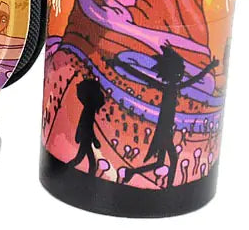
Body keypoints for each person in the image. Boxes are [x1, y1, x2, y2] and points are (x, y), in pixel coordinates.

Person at [111, 44, 218, 188]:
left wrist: (210, 66)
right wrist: (121, 64)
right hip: (164, 130)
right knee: (173, 159)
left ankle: (132, 172)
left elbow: (142, 76)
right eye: (179, 73)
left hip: (166, 129)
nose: (181, 75)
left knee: (159, 163)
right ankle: (168, 189)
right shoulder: (170, 88)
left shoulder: (170, 87)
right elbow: (141, 76)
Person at [68, 77, 104, 174]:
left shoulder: (88, 109)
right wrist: (94, 139)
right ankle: (63, 169)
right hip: (86, 137)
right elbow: (87, 125)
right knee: (80, 159)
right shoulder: (89, 110)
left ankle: (90, 174)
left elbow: (85, 124)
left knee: (87, 159)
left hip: (86, 137)